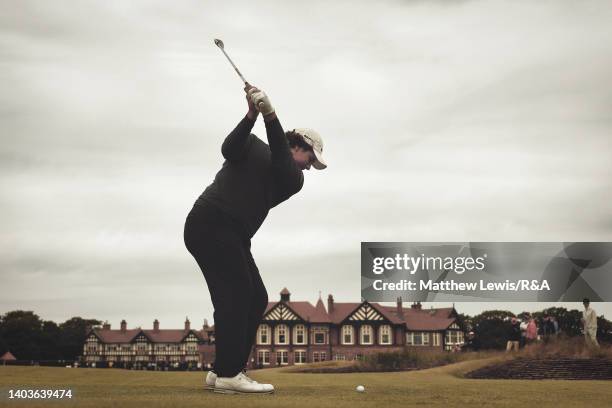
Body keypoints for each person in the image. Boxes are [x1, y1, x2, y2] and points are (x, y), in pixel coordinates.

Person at [183, 84, 327, 394]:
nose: (309, 167)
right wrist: (252, 115)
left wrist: (270, 116)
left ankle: (222, 370)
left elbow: (281, 164)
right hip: (209, 223)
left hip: (232, 234)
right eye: (310, 158)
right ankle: (230, 373)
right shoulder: (252, 144)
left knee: (255, 297)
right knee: (236, 295)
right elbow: (228, 149)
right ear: (299, 144)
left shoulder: (293, 179)